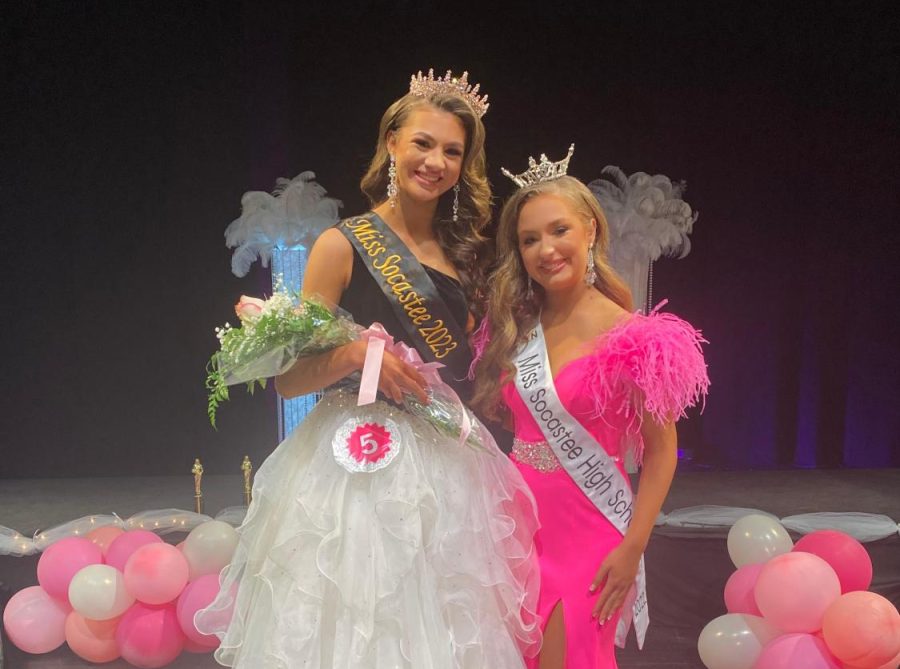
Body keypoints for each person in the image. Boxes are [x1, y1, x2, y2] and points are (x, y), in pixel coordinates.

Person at [196, 70, 540, 668]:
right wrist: (357, 354)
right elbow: (290, 380)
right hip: (353, 469)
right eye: (423, 143)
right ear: (391, 144)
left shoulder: (467, 255)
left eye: (452, 152)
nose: (435, 161)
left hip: (444, 467)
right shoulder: (342, 244)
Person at [471, 147, 709, 668]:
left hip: (589, 525)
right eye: (529, 239)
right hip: (516, 523)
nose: (545, 250)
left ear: (590, 232)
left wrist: (633, 547)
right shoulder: (516, 329)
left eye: (559, 231)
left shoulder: (637, 337)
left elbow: (662, 452)